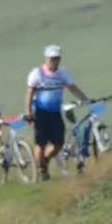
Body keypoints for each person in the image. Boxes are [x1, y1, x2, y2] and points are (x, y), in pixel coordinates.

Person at [25, 45, 89, 180]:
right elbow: (29, 94)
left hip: (55, 113)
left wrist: (85, 99)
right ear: (46, 58)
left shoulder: (62, 73)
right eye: (52, 59)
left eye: (57, 59)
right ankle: (41, 170)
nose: (55, 62)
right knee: (40, 144)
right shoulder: (37, 73)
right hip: (41, 113)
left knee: (58, 144)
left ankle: (45, 160)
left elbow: (72, 87)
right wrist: (28, 112)